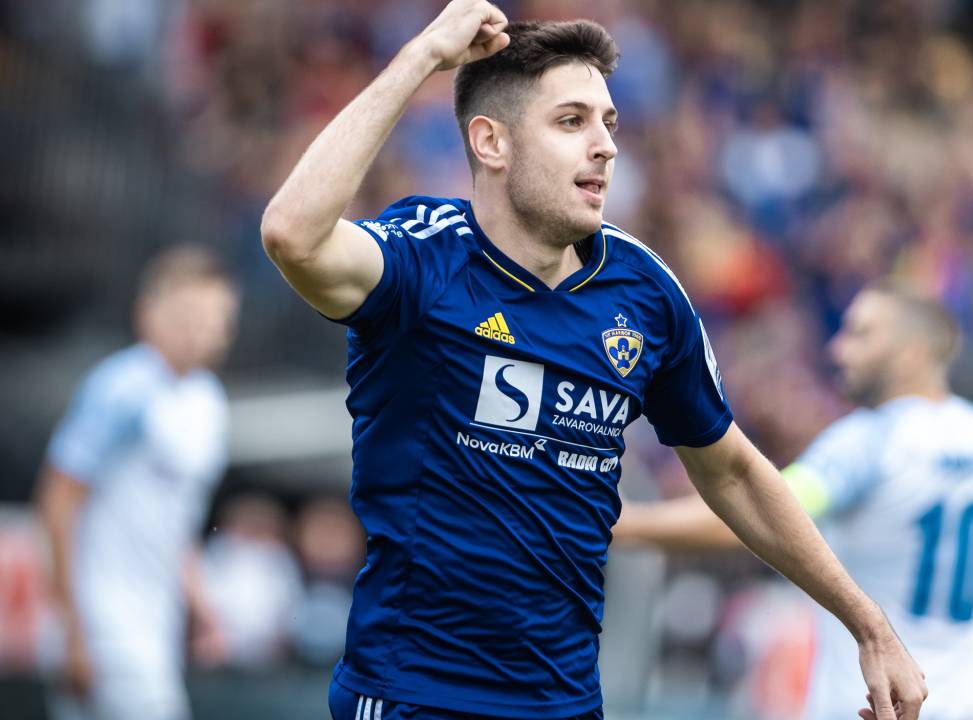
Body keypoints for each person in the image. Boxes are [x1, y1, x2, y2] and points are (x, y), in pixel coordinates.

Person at [259, 2, 927, 719]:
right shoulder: (422, 260)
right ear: (491, 141)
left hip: (568, 703)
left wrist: (867, 623)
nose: (605, 146)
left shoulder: (645, 291)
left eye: (609, 123)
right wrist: (423, 56)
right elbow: (292, 234)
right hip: (412, 698)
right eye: (571, 121)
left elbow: (732, 471)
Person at [612, 283, 973, 720]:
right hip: (968, 705)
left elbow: (764, 509)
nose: (839, 348)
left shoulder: (869, 442)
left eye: (861, 334)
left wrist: (623, 524)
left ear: (913, 352)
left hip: (871, 704)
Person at [36, 245, 239, 720]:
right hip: (103, 624)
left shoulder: (208, 402)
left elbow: (175, 519)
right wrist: (71, 627)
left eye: (215, 317)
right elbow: (56, 502)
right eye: (188, 314)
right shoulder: (123, 388)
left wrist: (198, 601)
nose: (201, 329)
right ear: (148, 314)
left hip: (156, 623)